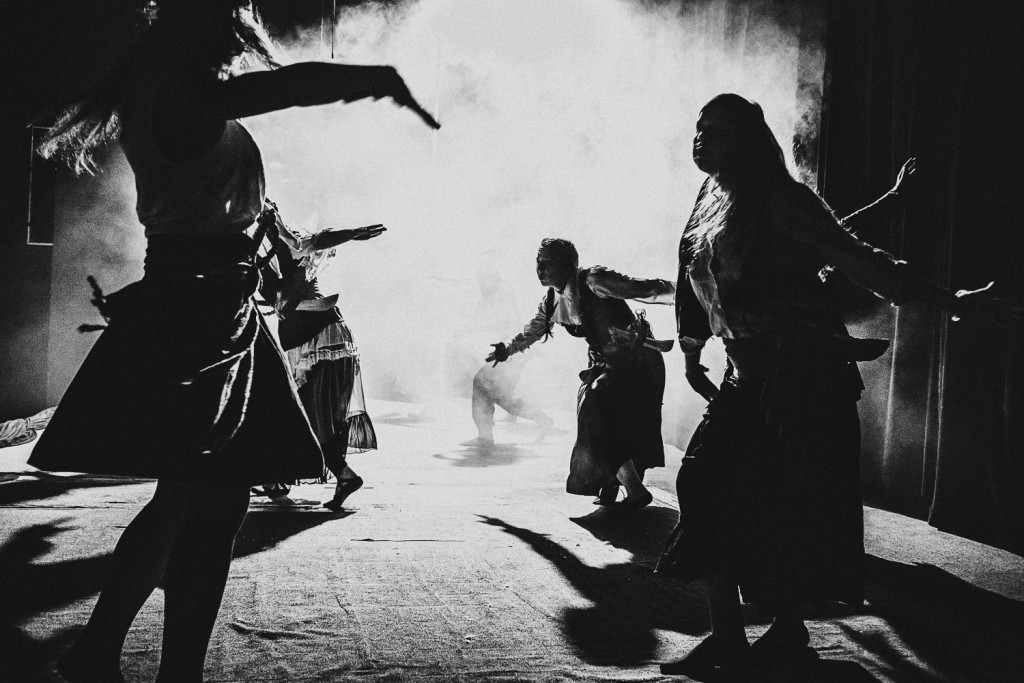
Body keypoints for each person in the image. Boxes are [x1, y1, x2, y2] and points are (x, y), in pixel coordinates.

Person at [28, 2, 437, 681]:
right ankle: (141, 663)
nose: (234, 44)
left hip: (206, 305)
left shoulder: (164, 93)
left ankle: (105, 654)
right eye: (226, 30)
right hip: (200, 313)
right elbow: (285, 87)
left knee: (192, 501)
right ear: (200, 30)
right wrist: (373, 77)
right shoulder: (182, 98)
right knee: (206, 502)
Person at [656, 94, 1017, 678]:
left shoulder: (781, 199)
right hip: (747, 372)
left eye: (715, 129)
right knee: (718, 488)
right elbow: (693, 276)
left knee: (766, 495)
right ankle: (750, 634)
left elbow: (855, 256)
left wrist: (950, 299)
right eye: (699, 127)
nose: (701, 138)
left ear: (747, 140)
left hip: (801, 375)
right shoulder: (711, 200)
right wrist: (693, 349)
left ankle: (766, 632)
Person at [487, 238, 675, 508]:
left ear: (567, 264)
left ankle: (633, 489)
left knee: (607, 415)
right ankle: (613, 484)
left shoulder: (594, 280)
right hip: (608, 365)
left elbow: (644, 289)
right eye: (538, 263)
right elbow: (532, 331)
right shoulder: (551, 302)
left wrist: (689, 294)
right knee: (597, 416)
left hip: (639, 362)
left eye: (547, 263)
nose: (540, 269)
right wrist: (506, 350)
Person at [256, 200, 382, 510]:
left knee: (308, 412)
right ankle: (292, 477)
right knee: (304, 411)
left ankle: (293, 477)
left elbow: (310, 242)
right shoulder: (255, 248)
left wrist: (351, 233)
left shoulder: (284, 238)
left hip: (317, 335)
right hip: (310, 333)